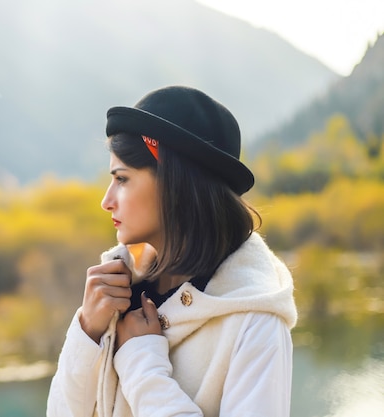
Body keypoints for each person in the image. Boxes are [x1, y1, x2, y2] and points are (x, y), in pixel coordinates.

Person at [46, 86, 297, 417]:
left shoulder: (255, 322)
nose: (106, 201)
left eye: (122, 179)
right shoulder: (116, 291)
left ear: (174, 184)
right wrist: (88, 331)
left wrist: (142, 364)